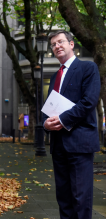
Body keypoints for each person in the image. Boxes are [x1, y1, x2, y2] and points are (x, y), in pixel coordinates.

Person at [43, 30, 100, 219]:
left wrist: (62, 120)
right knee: (64, 198)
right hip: (58, 145)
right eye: (53, 44)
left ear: (71, 44)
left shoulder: (88, 68)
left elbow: (88, 102)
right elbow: (51, 109)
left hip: (79, 144)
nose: (57, 46)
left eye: (60, 42)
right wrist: (46, 124)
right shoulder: (53, 77)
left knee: (81, 198)